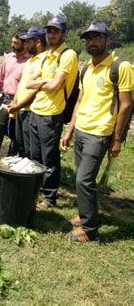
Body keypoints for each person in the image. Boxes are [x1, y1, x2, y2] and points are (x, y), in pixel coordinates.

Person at [61, 22, 133, 242]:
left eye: (96, 38)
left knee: (84, 180)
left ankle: (90, 231)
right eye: (88, 39)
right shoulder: (87, 68)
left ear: (107, 40)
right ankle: (85, 215)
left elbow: (127, 105)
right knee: (82, 179)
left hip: (100, 133)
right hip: (82, 129)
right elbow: (80, 101)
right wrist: (70, 130)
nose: (91, 42)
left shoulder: (121, 67)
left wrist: (117, 139)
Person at [26, 15, 78, 210]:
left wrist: (42, 83)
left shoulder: (68, 55)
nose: (51, 35)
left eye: (56, 31)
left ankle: (49, 198)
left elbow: (56, 85)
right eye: (49, 31)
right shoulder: (46, 57)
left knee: (49, 159)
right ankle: (35, 192)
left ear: (64, 34)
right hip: (36, 111)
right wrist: (43, 83)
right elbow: (29, 83)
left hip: (51, 114)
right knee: (35, 156)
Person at [0, 31, 30, 157]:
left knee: (15, 133)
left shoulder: (30, 61)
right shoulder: (8, 58)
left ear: (25, 44)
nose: (12, 45)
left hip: (19, 102)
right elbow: (0, 78)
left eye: (16, 43)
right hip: (4, 99)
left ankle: (11, 159)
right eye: (12, 42)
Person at [8, 26, 48, 158]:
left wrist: (18, 106)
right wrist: (15, 104)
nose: (25, 45)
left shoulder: (45, 60)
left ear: (38, 42)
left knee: (30, 148)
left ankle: (31, 176)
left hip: (30, 110)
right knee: (20, 144)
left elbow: (37, 90)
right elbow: (22, 84)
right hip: (20, 110)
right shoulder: (31, 60)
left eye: (28, 42)